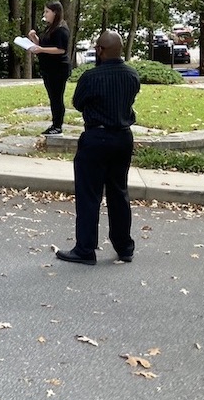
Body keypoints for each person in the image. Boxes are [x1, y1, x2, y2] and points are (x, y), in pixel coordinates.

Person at [56, 30, 141, 265]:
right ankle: (124, 246)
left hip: (96, 137)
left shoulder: (91, 77)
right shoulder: (131, 75)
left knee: (89, 195)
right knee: (119, 193)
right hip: (123, 138)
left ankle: (85, 249)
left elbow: (78, 102)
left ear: (100, 50)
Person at [28, 1, 71, 136]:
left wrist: (41, 49)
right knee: (52, 97)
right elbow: (44, 45)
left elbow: (60, 50)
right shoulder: (50, 28)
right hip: (48, 68)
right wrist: (34, 39)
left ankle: (57, 125)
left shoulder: (61, 29)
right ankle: (54, 124)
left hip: (58, 69)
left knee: (56, 97)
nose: (44, 14)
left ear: (55, 12)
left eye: (47, 11)